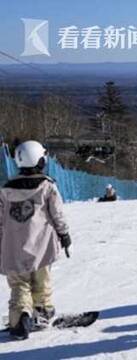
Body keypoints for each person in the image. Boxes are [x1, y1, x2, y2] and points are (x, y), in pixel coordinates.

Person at [0, 141, 71, 340]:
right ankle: (42, 312)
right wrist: (64, 235)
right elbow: (57, 214)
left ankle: (20, 316)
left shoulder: (5, 189)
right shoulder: (47, 185)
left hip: (13, 247)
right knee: (42, 281)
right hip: (41, 245)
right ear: (40, 159)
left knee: (19, 284)